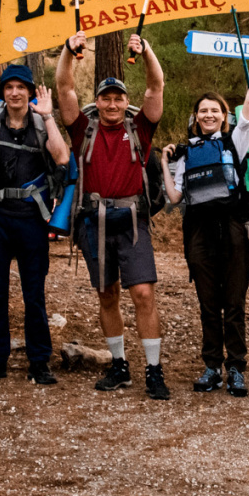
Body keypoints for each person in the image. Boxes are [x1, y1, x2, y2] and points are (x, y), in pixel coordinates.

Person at [55, 31, 169, 400]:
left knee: (143, 294)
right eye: (106, 98)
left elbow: (156, 85)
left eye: (118, 98)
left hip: (132, 219)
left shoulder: (140, 129)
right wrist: (68, 54)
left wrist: (147, 50)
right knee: (107, 294)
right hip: (93, 221)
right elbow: (63, 88)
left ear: (126, 102)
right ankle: (119, 366)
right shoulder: (82, 130)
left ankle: (154, 370)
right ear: (97, 102)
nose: (112, 104)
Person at [163, 36, 249, 396]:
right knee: (208, 303)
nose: (209, 115)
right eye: (203, 111)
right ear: (196, 117)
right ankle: (211, 366)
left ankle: (236, 367)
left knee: (234, 303)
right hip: (198, 233)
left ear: (225, 117)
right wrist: (165, 161)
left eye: (216, 111)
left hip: (234, 229)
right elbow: (176, 196)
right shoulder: (184, 152)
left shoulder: (233, 143)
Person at [0, 65, 70, 385]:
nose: (14, 93)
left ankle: (39, 361)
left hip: (31, 220)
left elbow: (62, 157)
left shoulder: (40, 124)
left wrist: (50, 115)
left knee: (34, 294)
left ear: (29, 92)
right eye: (8, 87)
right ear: (2, 92)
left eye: (20, 87)